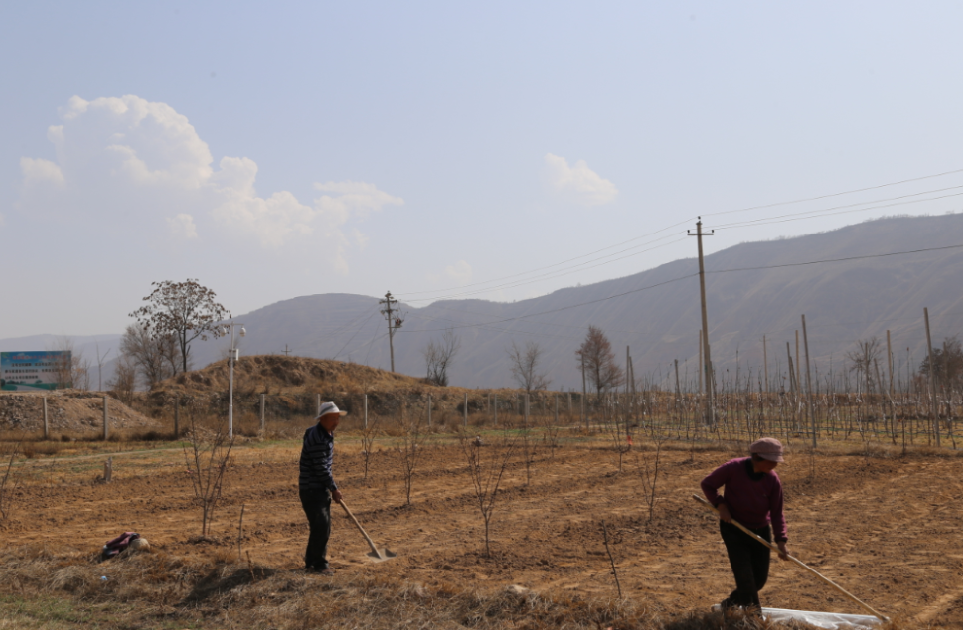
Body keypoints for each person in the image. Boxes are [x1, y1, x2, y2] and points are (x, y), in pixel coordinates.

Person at [700, 437, 790, 611]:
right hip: (734, 528)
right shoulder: (733, 468)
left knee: (759, 580)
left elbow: (777, 513)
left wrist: (781, 541)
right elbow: (708, 484)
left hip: (760, 530)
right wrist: (721, 505)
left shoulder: (773, 480)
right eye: (770, 461)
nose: (774, 465)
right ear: (756, 457)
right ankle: (754, 619)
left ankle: (730, 604)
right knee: (745, 576)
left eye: (776, 461)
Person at [299, 401, 347, 575]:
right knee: (321, 526)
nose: (336, 422)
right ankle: (319, 565)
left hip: (317, 487)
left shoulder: (321, 432)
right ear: (322, 419)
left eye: (337, 418)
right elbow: (321, 468)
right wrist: (334, 489)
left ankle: (311, 563)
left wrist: (329, 488)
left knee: (320, 527)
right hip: (312, 488)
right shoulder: (318, 438)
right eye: (332, 418)